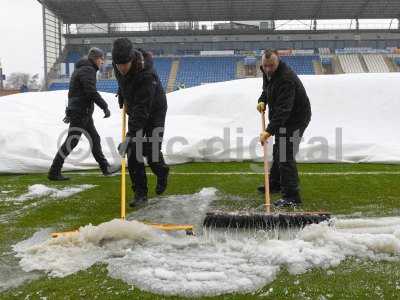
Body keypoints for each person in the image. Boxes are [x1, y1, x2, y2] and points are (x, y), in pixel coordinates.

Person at [112, 38, 169, 208]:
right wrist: (122, 93)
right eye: (118, 64)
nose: (121, 68)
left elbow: (143, 110)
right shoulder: (118, 66)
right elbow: (123, 81)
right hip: (136, 107)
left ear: (132, 60)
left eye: (125, 64)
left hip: (154, 110)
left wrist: (129, 135)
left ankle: (162, 171)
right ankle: (140, 193)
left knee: (151, 150)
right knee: (133, 150)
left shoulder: (146, 74)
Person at [48, 47, 116, 181]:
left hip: (81, 112)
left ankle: (105, 168)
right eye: (101, 59)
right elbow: (90, 91)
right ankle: (54, 171)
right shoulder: (88, 70)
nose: (102, 62)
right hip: (81, 112)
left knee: (94, 139)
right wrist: (104, 106)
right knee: (72, 141)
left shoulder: (82, 69)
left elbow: (75, 93)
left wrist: (70, 111)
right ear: (96, 59)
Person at [257, 49, 312, 207]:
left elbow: (284, 110)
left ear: (278, 61)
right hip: (283, 118)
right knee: (278, 150)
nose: (268, 69)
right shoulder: (267, 70)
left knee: (284, 154)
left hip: (296, 118)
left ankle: (292, 195)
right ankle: (275, 183)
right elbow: (266, 89)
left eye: (271, 66)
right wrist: (262, 100)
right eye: (265, 65)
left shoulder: (286, 79)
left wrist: (268, 131)